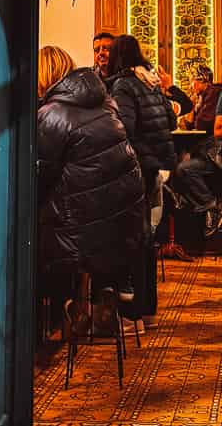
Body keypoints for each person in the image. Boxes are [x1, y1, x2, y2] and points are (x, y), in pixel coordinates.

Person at [36, 45, 146, 330]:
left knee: (31, 237)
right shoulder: (104, 103)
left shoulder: (52, 113)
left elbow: (40, 175)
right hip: (122, 221)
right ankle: (98, 291)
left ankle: (59, 309)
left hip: (83, 231)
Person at [106, 33, 178, 315]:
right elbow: (172, 118)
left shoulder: (124, 85)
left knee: (134, 237)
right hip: (155, 165)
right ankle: (147, 307)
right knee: (146, 236)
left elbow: (125, 128)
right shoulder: (150, 82)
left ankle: (135, 309)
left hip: (135, 167)